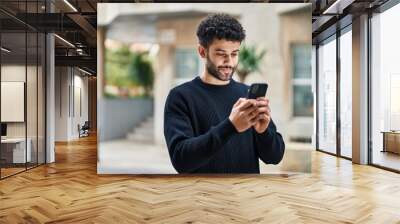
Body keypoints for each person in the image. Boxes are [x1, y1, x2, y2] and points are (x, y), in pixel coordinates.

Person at [164, 13, 285, 173]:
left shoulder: (246, 94)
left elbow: (274, 157)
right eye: (221, 54)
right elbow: (181, 160)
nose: (229, 62)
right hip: (203, 196)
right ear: (202, 51)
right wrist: (230, 126)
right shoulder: (180, 97)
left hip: (246, 195)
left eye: (234, 54)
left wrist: (263, 132)